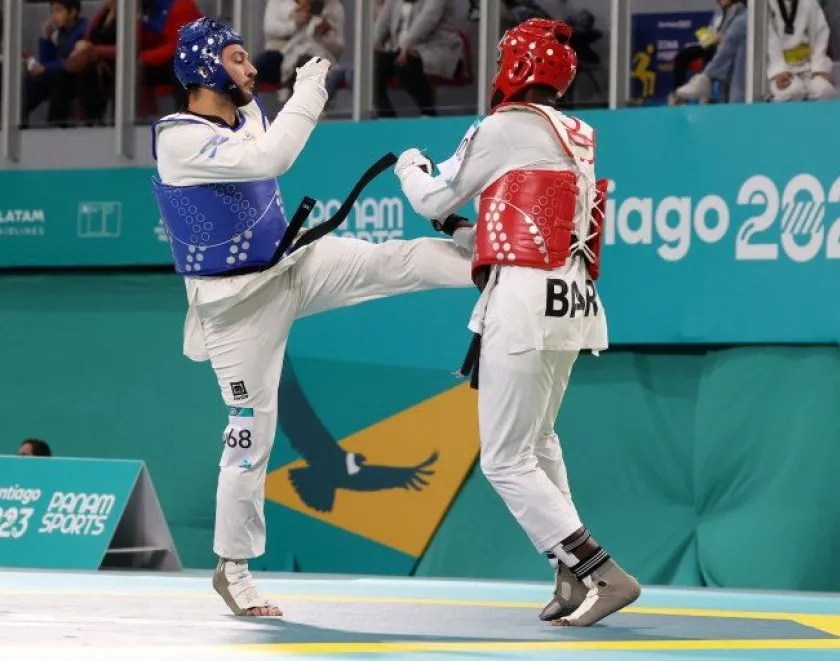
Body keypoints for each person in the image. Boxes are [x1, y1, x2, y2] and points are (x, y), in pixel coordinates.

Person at [150, 17, 474, 617]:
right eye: (239, 57)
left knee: (392, 261)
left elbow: (268, 144)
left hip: (294, 264)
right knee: (251, 434)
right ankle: (233, 569)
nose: (251, 69)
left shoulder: (245, 114)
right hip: (234, 308)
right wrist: (313, 85)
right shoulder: (176, 137)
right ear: (204, 67)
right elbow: (275, 156)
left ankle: (493, 264)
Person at [393, 18, 641, 627]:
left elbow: (432, 197)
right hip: (572, 300)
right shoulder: (578, 133)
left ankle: (600, 570)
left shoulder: (504, 128)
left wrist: (409, 167)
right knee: (539, 441)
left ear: (513, 68)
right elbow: (522, 231)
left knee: (505, 460)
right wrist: (461, 234)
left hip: (525, 303)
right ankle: (568, 571)